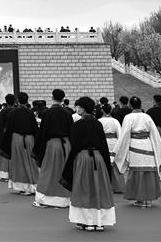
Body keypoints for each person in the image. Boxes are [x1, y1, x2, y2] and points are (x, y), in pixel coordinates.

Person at [61, 97, 115, 232]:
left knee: (84, 188)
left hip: (83, 158)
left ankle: (86, 221)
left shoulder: (77, 125)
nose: (77, 109)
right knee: (98, 187)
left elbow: (74, 146)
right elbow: (103, 145)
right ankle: (99, 221)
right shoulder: (98, 124)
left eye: (78, 107)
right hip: (98, 158)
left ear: (83, 108)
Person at [114, 96, 161, 208]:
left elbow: (124, 135)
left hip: (135, 145)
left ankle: (140, 198)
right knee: (149, 170)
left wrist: (118, 150)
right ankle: (149, 199)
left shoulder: (128, 117)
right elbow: (154, 133)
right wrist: (158, 148)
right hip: (147, 144)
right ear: (141, 105)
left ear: (130, 105)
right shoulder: (147, 116)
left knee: (137, 171)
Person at [33, 89, 73, 208]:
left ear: (52, 97)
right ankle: (66, 199)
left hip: (52, 145)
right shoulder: (68, 113)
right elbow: (71, 130)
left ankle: (47, 199)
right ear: (63, 98)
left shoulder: (48, 113)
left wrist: (39, 149)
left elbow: (43, 132)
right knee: (65, 170)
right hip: (66, 144)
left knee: (49, 171)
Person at [0, 92, 39, 195]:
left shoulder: (13, 113)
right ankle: (33, 185)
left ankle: (22, 186)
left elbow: (9, 129)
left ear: (18, 101)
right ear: (27, 100)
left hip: (17, 139)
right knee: (31, 162)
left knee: (19, 162)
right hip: (29, 139)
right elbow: (35, 128)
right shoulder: (30, 113)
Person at [98, 104, 125, 194]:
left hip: (102, 143)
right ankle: (117, 186)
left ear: (102, 110)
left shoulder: (99, 121)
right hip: (113, 143)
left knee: (103, 164)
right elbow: (120, 134)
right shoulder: (115, 121)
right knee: (115, 165)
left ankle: (103, 187)